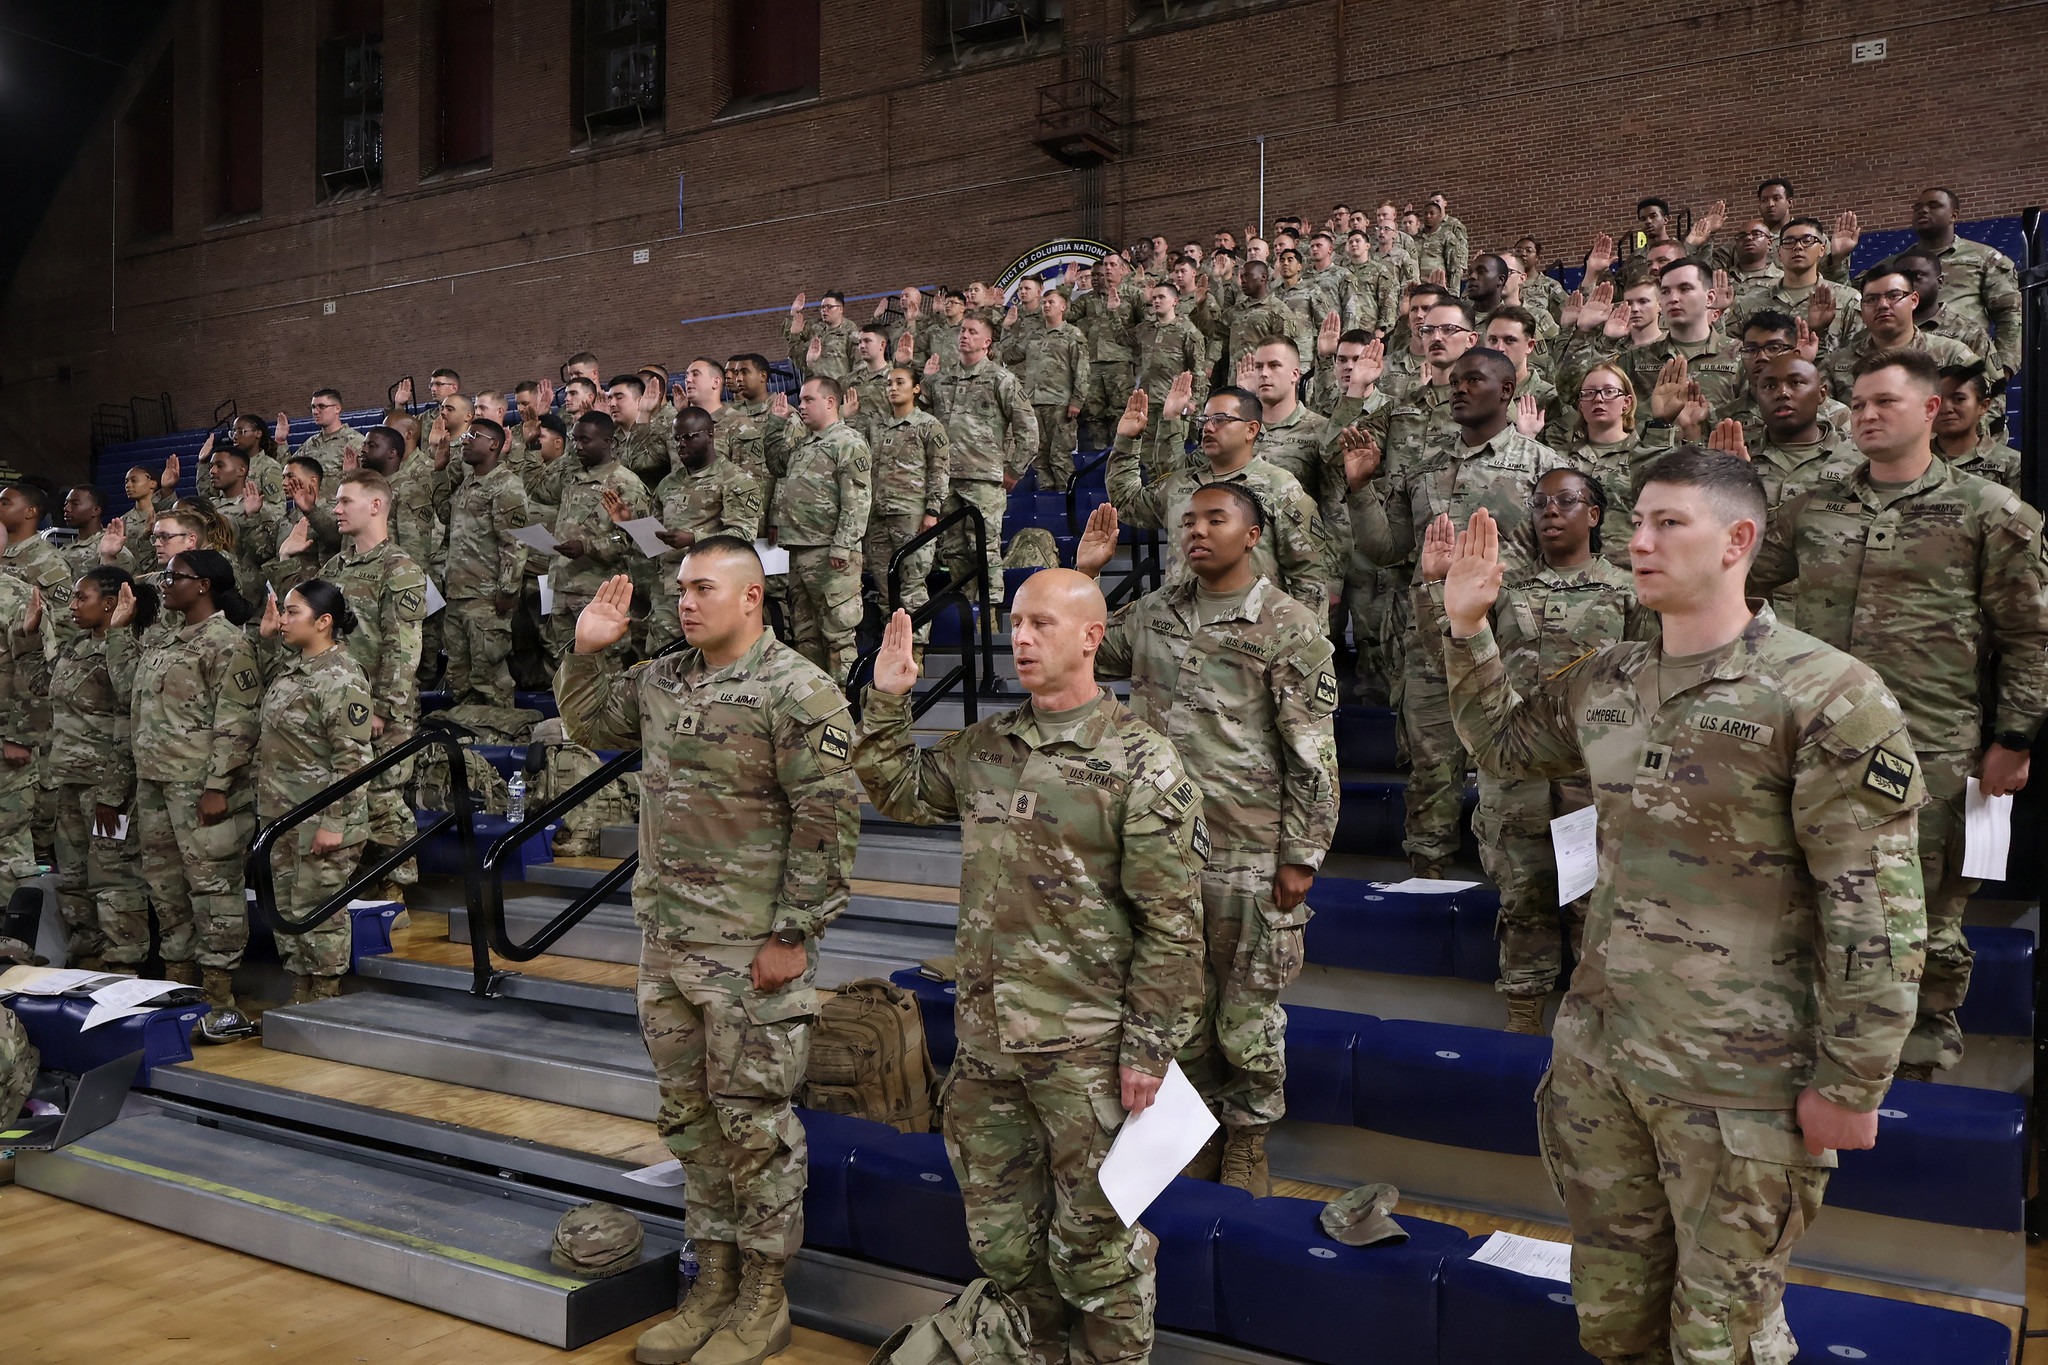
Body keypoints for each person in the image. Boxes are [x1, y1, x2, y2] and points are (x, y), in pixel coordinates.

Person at [1437, 447, 1926, 1365]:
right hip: (1606, 1060)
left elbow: (1877, 910)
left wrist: (1853, 1080)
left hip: (1740, 1086)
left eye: (1671, 524)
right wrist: (1468, 629)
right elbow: (1503, 746)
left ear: (1739, 539)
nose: (1641, 543)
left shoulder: (1825, 692)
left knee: (1722, 1339)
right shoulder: (1609, 677)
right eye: (1638, 524)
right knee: (1614, 1322)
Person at [855, 572, 1206, 1365]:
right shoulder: (987, 746)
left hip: (1087, 1053)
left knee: (1099, 1255)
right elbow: (900, 791)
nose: (1019, 637)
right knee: (1006, 1250)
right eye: (1014, 622)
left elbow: (1174, 923)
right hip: (987, 1052)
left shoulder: (1141, 760)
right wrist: (886, 701)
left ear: (1090, 636)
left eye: (1040, 623)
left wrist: (1149, 1049)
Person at [557, 544, 860, 1365]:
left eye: (702, 588)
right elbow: (589, 722)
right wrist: (588, 651)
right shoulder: (663, 678)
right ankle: (713, 1281)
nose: (685, 602)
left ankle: (765, 1297)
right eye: (680, 588)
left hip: (750, 949)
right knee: (693, 1127)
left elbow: (828, 820)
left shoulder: (798, 689)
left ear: (751, 596)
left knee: (754, 1128)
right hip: (668, 944)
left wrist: (793, 933)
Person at [1750, 348, 2048, 1081]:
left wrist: (2014, 738)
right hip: (1816, 741)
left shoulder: (1992, 513)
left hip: (1933, 744)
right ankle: (1825, 1050)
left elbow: (2029, 636)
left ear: (1931, 408)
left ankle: (1919, 1062)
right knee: (1816, 894)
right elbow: (1741, 576)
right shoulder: (1815, 506)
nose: (1867, 414)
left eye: (1885, 401)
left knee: (1926, 911)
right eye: (1858, 403)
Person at [1076, 486, 1339, 1193]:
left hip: (1247, 852)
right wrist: (1088, 576)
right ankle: (1195, 1133)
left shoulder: (1289, 625)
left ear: (1252, 533)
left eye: (1214, 519)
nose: (1196, 530)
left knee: (1247, 1015)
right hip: (1159, 851)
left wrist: (1300, 858)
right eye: (1188, 520)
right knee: (1175, 1012)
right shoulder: (1158, 610)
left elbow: (1313, 753)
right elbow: (1086, 652)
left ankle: (1249, 1139)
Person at [1415, 468, 1652, 1031]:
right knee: (1521, 902)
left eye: (1565, 501)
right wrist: (1435, 590)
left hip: (1592, 779)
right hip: (1514, 774)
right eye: (1540, 502)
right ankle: (1523, 1019)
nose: (1550, 511)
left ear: (1593, 515)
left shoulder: (1627, 591)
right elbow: (1445, 657)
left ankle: (1593, 1026)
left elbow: (1653, 684)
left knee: (1593, 908)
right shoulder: (1506, 588)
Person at [1342, 348, 1568, 876]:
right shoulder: (1424, 468)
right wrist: (1359, 489)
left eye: (1474, 380)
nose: (1458, 388)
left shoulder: (1545, 466)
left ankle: (1516, 889)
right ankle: (1427, 877)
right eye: (1454, 380)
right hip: (1431, 642)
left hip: (1513, 645)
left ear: (1507, 391)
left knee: (1514, 768)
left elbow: (1568, 556)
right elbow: (1385, 548)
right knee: (1431, 771)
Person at [127, 549, 263, 1039]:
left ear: (203, 585)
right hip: (156, 783)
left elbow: (238, 722)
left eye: (175, 576)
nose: (165, 583)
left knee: (213, 890)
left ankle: (219, 998)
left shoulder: (227, 643)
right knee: (166, 890)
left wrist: (217, 786)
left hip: (201, 788)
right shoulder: (165, 641)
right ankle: (181, 990)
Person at [277, 470, 430, 903]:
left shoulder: (398, 567)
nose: (336, 510)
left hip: (379, 708)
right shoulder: (336, 566)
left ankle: (397, 886)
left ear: (376, 506)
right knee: (347, 796)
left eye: (345, 502)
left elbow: (404, 650)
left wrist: (383, 708)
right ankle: (362, 888)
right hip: (334, 701)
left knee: (382, 799)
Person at [1108, 380, 1332, 613]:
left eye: (1220, 420)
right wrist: (1126, 440)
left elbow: (1308, 576)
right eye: (1204, 420)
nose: (1208, 428)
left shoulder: (1280, 487)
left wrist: (1305, 641)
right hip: (1182, 631)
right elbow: (1126, 503)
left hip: (1252, 634)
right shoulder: (1180, 484)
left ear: (1251, 429)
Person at [255, 579, 374, 1002]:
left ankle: (324, 998)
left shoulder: (342, 677)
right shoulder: (294, 667)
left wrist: (334, 821)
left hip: (321, 820)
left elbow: (353, 761)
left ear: (324, 622)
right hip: (283, 815)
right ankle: (299, 995)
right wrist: (267, 638)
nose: (282, 619)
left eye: (292, 612)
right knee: (286, 913)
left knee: (319, 914)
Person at [46, 567, 150, 976]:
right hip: (68, 780)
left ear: (109, 603)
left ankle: (124, 966)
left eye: (80, 598)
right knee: (72, 876)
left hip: (105, 786)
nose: (72, 606)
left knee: (114, 878)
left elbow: (131, 722)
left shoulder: (126, 651)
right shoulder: (75, 646)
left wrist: (112, 791)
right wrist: (26, 637)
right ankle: (87, 957)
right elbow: (43, 688)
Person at [633, 405, 762, 656]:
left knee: (714, 656)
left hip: (711, 589)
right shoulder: (669, 483)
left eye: (689, 437)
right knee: (662, 658)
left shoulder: (735, 479)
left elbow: (744, 535)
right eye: (677, 439)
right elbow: (656, 527)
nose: (682, 445)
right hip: (668, 587)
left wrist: (694, 539)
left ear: (710, 436)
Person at [925, 315, 1036, 597]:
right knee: (952, 551)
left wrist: (1014, 470)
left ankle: (990, 616)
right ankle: (968, 616)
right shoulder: (941, 380)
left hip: (984, 478)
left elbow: (1028, 429)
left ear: (986, 342)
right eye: (962, 331)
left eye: (972, 332)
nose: (964, 335)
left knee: (983, 548)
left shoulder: (1002, 379)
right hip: (947, 479)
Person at [773, 376, 872, 677]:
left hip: (830, 553)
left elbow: (856, 499)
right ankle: (816, 704)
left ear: (830, 402)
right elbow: (775, 466)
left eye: (807, 400)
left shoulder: (848, 442)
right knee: (806, 637)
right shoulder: (804, 444)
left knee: (838, 637)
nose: (800, 406)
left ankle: (847, 706)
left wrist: (843, 545)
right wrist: (776, 427)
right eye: (800, 400)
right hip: (798, 550)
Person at [550, 411, 652, 660]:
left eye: (585, 440)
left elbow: (635, 540)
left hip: (601, 592)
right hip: (563, 585)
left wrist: (588, 547)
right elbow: (535, 488)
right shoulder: (572, 477)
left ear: (607, 442)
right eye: (574, 440)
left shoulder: (626, 484)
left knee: (605, 664)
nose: (577, 447)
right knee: (566, 664)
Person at [442, 418, 530, 707]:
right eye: (464, 434)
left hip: (486, 597)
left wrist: (507, 591)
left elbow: (515, 542)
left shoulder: (506, 486)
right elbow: (441, 513)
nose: (465, 440)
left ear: (494, 444)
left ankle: (503, 740)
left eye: (473, 435)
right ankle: (471, 741)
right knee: (459, 677)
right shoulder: (468, 483)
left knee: (489, 678)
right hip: (457, 594)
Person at [864, 365, 949, 632]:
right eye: (889, 383)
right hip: (878, 515)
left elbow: (940, 468)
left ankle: (917, 650)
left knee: (912, 585)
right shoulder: (877, 426)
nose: (893, 387)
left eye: (900, 382)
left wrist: (932, 510)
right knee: (885, 587)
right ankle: (892, 645)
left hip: (911, 515)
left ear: (916, 389)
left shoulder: (928, 425)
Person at [1820, 268, 1978, 402]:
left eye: (1893, 295)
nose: (1882, 305)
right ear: (1861, 307)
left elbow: (1980, 413)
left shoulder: (1952, 355)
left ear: (1914, 300)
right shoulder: (1835, 364)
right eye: (1872, 299)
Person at [1020, 287, 1090, 492]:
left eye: (1051, 302)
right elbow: (1011, 355)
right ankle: (1046, 499)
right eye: (1044, 302)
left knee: (1059, 455)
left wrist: (1077, 400)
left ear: (1063, 307)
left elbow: (1083, 370)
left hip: (1060, 403)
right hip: (1033, 403)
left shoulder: (1072, 334)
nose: (1046, 305)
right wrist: (1007, 329)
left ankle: (1067, 500)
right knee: (1039, 455)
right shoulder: (1034, 335)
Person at [1935, 361, 2020, 490]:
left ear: (1983, 406)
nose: (1946, 408)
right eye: (1939, 400)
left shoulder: (2012, 464)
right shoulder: (1909, 461)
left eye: (1959, 399)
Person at [608, 372, 678, 486]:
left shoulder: (662, 429)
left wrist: (643, 415)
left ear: (640, 400)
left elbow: (639, 465)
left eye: (619, 397)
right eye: (609, 398)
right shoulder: (611, 436)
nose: (612, 404)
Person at [287, 389, 364, 477]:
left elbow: (367, 481)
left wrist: (350, 475)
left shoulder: (356, 441)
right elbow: (288, 470)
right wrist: (281, 442)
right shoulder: (311, 443)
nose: (315, 412)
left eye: (321, 406)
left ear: (337, 408)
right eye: (313, 407)